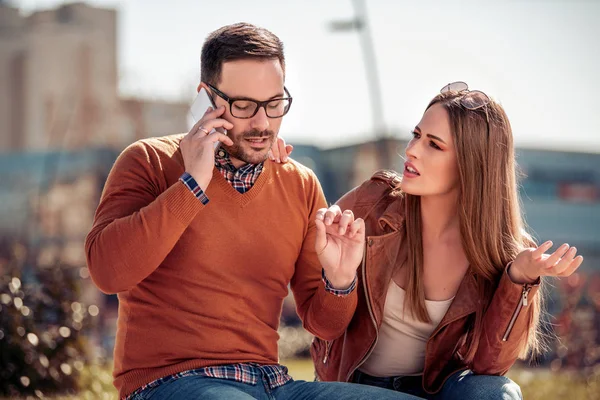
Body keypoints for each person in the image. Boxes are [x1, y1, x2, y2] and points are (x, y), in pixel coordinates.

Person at [85, 23, 419, 400]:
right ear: (206, 98)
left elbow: (325, 325)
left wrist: (339, 280)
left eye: (274, 104)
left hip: (273, 383)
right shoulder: (149, 160)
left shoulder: (300, 184)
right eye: (244, 105)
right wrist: (193, 183)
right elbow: (107, 272)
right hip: (169, 382)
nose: (262, 123)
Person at [307, 82, 584, 399]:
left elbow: (488, 366)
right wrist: (338, 281)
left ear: (472, 164)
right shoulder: (373, 202)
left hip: (436, 391)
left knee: (497, 392)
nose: (411, 150)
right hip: (355, 387)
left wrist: (519, 278)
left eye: (434, 145)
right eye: (416, 135)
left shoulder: (502, 250)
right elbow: (321, 325)